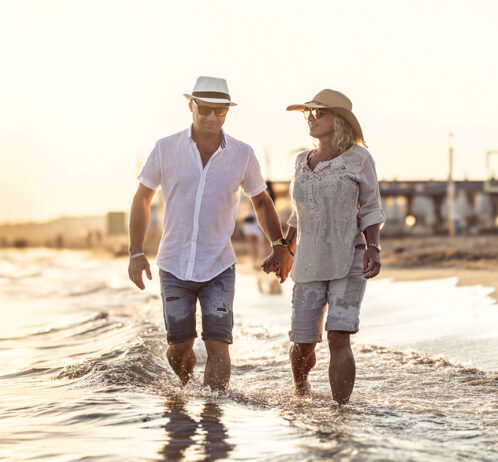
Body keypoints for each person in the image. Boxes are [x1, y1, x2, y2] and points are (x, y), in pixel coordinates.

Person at [128, 76, 293, 391]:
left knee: (219, 344)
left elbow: (260, 200)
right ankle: (187, 388)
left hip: (219, 265)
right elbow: (142, 198)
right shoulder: (165, 149)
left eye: (220, 111)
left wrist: (279, 243)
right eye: (205, 109)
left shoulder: (242, 154)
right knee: (179, 346)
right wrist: (136, 252)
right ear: (191, 106)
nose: (212, 117)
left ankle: (213, 413)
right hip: (174, 265)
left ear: (227, 112)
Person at [263, 89, 385, 404]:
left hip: (349, 257)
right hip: (308, 260)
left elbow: (371, 207)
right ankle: (301, 395)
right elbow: (297, 212)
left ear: (339, 120)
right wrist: (285, 248)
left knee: (338, 337)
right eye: (309, 113)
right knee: (302, 343)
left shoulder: (360, 158)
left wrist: (374, 247)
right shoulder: (301, 161)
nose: (312, 118)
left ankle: (341, 411)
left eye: (320, 112)